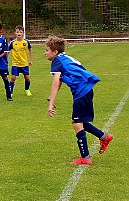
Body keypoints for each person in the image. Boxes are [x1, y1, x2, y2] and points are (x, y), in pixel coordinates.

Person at [45, 36, 113, 165]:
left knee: (77, 123)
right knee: (77, 120)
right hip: (87, 88)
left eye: (47, 50)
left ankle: (85, 158)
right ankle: (104, 137)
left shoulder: (57, 61)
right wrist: (52, 98)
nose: (45, 52)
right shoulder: (65, 58)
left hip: (81, 90)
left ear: (55, 52)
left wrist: (50, 104)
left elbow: (55, 82)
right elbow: (60, 81)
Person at [9, 25, 33, 96]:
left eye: (20, 32)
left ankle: (27, 89)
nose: (19, 33)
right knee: (13, 78)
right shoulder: (13, 42)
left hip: (24, 63)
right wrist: (5, 60)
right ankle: (10, 92)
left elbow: (30, 50)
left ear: (23, 33)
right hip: (15, 63)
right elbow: (7, 50)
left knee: (27, 78)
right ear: (15, 33)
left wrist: (30, 60)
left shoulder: (26, 42)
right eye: (17, 32)